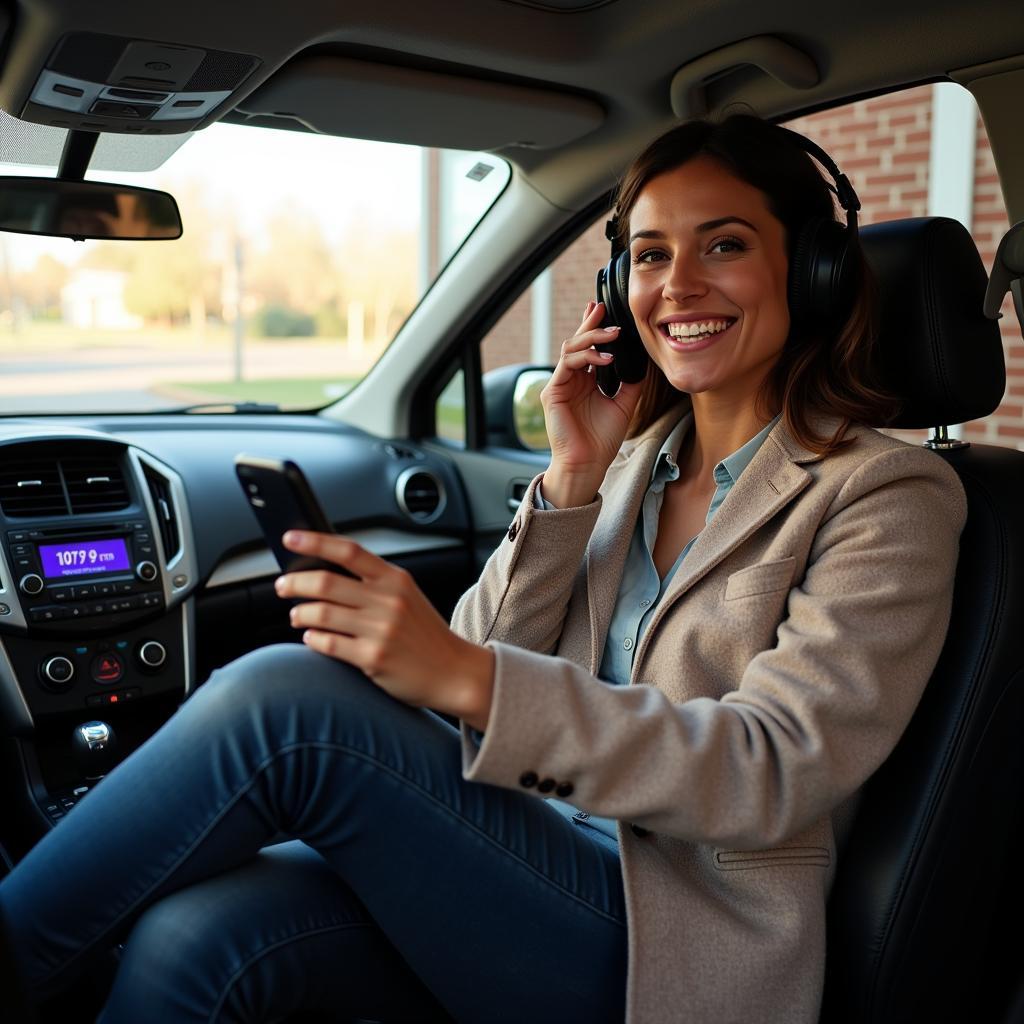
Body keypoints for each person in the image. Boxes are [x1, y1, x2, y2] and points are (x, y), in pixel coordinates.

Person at [0, 114, 966, 1024]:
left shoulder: (887, 494)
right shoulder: (627, 466)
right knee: (198, 938)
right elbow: (480, 662)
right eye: (653, 255)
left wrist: (466, 678)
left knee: (288, 704)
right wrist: (570, 484)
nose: (677, 287)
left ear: (816, 270)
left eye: (725, 245)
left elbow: (773, 769)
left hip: (678, 937)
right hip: (531, 856)